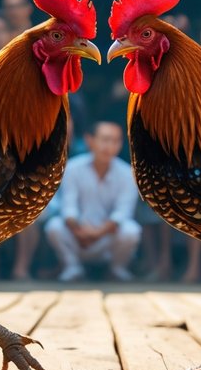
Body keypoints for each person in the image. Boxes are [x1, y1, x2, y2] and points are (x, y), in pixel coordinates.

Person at [45, 121, 140, 282]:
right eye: (105, 139)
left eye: (115, 141)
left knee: (131, 230)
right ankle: (72, 267)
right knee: (54, 226)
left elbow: (122, 214)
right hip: (77, 235)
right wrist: (79, 232)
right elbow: (69, 208)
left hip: (107, 239)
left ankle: (117, 269)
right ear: (90, 140)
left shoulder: (128, 173)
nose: (109, 146)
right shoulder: (72, 168)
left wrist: (97, 233)